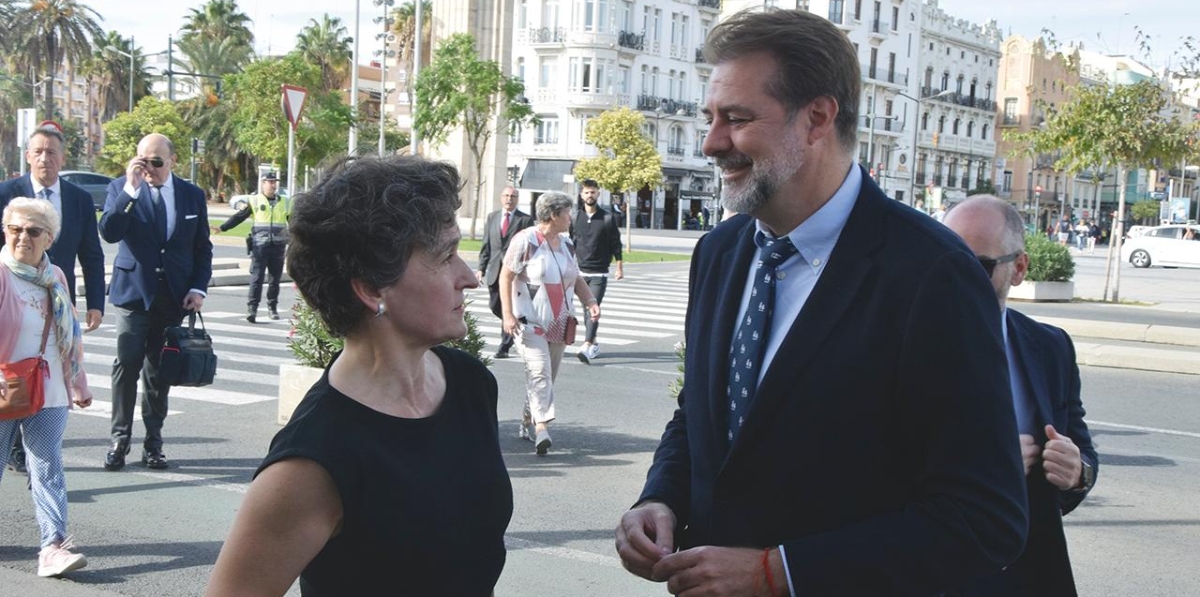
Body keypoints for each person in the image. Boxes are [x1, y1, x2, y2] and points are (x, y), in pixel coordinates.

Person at [615, 9, 1027, 596]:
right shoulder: (720, 252)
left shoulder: (933, 275)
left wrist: (778, 573)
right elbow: (702, 417)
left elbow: (985, 519)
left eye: (736, 118)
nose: (711, 142)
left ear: (816, 119)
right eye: (710, 118)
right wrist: (660, 496)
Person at [205, 155, 512, 596]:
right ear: (371, 288)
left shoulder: (470, 383)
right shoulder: (314, 461)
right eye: (445, 256)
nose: (469, 278)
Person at [944, 196, 1098, 596]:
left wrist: (1077, 471)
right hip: (937, 570)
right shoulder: (899, 339)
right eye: (948, 258)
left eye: (979, 265)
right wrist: (991, 463)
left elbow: (1080, 448)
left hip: (1029, 573)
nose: (959, 275)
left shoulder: (1050, 347)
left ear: (1019, 269)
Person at [98, 133, 213, 471]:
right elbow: (110, 231)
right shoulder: (122, 188)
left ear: (172, 161)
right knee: (126, 366)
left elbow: (201, 247)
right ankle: (119, 439)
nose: (149, 167)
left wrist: (198, 287)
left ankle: (154, 443)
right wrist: (131, 189)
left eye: (156, 162)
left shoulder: (191, 195)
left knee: (159, 372)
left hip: (173, 297)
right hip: (134, 294)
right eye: (143, 161)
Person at [0, 125, 106, 474]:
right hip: (10, 295)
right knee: (14, 371)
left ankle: (35, 455)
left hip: (56, 298)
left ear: (62, 159)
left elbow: (92, 253)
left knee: (45, 370)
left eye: (52, 152)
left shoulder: (77, 199)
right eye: (38, 152)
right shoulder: (6, 193)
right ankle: (16, 446)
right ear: (28, 156)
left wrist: (95, 302)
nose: (45, 158)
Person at [1, 197, 94, 577]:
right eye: (15, 229)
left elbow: (67, 333)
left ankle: (53, 545)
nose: (23, 237)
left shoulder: (56, 276)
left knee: (47, 467)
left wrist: (78, 382)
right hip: (4, 387)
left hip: (50, 387)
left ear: (49, 238)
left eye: (33, 231)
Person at [500, 192, 601, 455]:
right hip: (529, 321)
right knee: (539, 372)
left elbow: (576, 277)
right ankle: (542, 428)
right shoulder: (526, 241)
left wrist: (589, 301)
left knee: (546, 378)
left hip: (560, 322)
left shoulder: (567, 243)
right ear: (553, 215)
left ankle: (527, 420)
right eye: (567, 212)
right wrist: (508, 315)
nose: (571, 217)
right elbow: (506, 276)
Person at [211, 170, 290, 323]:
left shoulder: (284, 202)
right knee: (257, 278)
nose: (273, 185)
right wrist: (222, 228)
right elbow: (238, 217)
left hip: (278, 247)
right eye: (269, 182)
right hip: (260, 247)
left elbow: (293, 222)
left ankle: (272, 307)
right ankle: (252, 309)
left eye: (274, 182)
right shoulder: (254, 201)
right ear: (263, 183)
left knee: (275, 279)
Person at [477, 185, 534, 358]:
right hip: (495, 270)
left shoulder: (525, 220)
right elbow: (486, 245)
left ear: (517, 199)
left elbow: (530, 247)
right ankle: (516, 323)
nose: (509, 199)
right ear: (502, 198)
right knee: (495, 306)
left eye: (513, 196)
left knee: (508, 307)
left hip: (514, 273)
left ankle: (504, 346)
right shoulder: (492, 217)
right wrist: (481, 267)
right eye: (506, 195)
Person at [570, 179, 623, 364]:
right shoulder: (575, 218)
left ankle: (587, 344)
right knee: (587, 309)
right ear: (581, 195)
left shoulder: (607, 218)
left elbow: (616, 244)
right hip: (580, 272)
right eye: (586, 192)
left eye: (593, 192)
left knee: (593, 308)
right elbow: (570, 243)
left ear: (598, 194)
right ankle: (594, 342)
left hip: (599, 273)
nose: (589, 195)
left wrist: (619, 268)